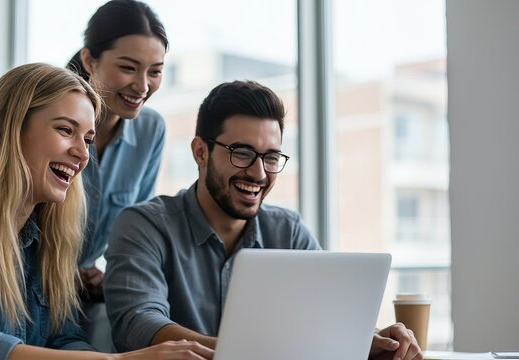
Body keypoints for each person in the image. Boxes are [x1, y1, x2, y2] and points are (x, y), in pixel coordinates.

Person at [0, 63, 213, 360]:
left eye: (88, 139)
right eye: (65, 130)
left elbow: (63, 338)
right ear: (12, 130)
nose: (83, 154)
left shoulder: (47, 233)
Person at [103, 80, 423, 359]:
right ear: (200, 152)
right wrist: (240, 354)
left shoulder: (288, 230)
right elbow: (139, 323)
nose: (258, 173)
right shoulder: (144, 225)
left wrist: (374, 339)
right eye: (241, 153)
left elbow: (326, 318)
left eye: (271, 157)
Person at [67, 0, 168, 300]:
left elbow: (133, 229)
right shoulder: (48, 118)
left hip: (84, 293)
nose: (142, 86)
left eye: (155, 71)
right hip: (25, 282)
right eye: (128, 68)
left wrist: (111, 277)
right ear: (89, 60)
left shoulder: (151, 130)